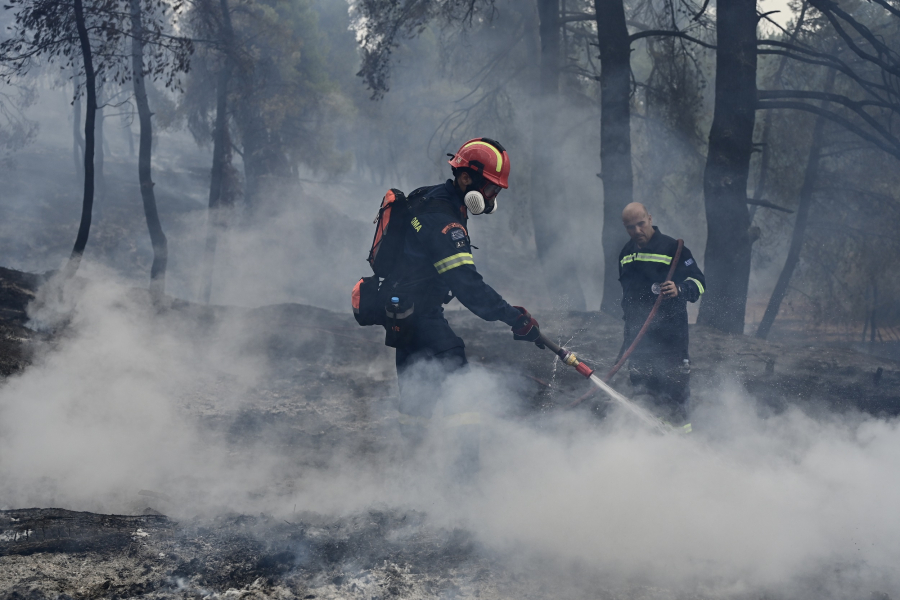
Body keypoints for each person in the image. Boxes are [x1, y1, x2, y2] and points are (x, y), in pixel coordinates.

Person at [385, 138, 541, 467]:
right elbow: (467, 286)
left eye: (497, 191)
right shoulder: (445, 220)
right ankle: (466, 479)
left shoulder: (432, 198)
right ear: (466, 178)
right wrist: (514, 318)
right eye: (491, 188)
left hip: (402, 313)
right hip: (421, 315)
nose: (493, 198)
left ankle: (410, 471)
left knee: (416, 393)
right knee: (461, 388)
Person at [618, 202, 706, 427]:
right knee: (643, 394)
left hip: (670, 341)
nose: (637, 231)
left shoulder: (673, 249)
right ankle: (649, 443)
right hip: (638, 341)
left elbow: (699, 281)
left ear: (650, 219)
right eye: (630, 227)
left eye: (640, 224)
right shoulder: (626, 254)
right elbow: (628, 298)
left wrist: (680, 289)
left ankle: (682, 443)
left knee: (675, 394)